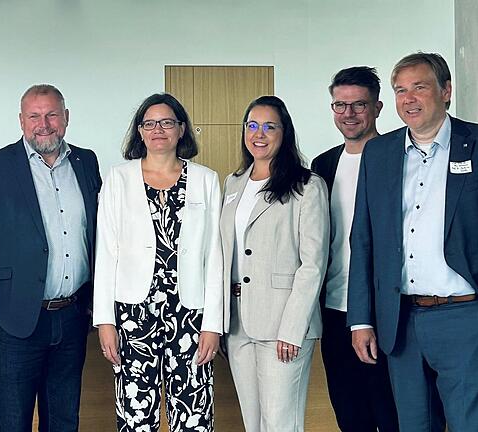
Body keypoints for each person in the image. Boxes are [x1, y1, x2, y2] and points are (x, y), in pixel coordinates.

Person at [347, 52, 478, 432]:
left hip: (467, 317)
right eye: (400, 90)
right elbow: (364, 241)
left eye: (419, 87)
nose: (409, 99)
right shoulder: (379, 153)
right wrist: (360, 319)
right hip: (400, 323)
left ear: (446, 90)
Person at [0, 84, 101, 432]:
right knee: (13, 421)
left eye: (51, 114)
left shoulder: (85, 161)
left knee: (63, 420)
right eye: (34, 116)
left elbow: (99, 233)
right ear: (21, 120)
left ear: (66, 118)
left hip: (72, 316)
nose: (43, 124)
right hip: (13, 320)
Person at [93, 93, 223, 432]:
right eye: (149, 123)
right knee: (136, 417)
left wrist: (213, 324)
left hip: (190, 315)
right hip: (133, 316)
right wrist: (105, 321)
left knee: (193, 415)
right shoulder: (118, 179)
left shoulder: (206, 179)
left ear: (181, 129)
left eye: (167, 122)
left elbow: (216, 257)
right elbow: (105, 253)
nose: (158, 130)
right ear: (140, 131)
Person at [221, 95, 329, 431]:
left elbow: (313, 264)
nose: (259, 134)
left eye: (270, 126)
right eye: (252, 125)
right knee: (253, 423)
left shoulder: (307, 186)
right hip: (239, 323)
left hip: (283, 325)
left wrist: (292, 329)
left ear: (285, 133)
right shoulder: (233, 182)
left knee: (281, 423)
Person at [311, 66, 398, 431]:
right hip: (335, 309)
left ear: (378, 107)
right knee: (349, 414)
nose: (348, 114)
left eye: (358, 105)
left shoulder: (399, 158)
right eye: (339, 105)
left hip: (386, 311)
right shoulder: (323, 165)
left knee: (392, 413)